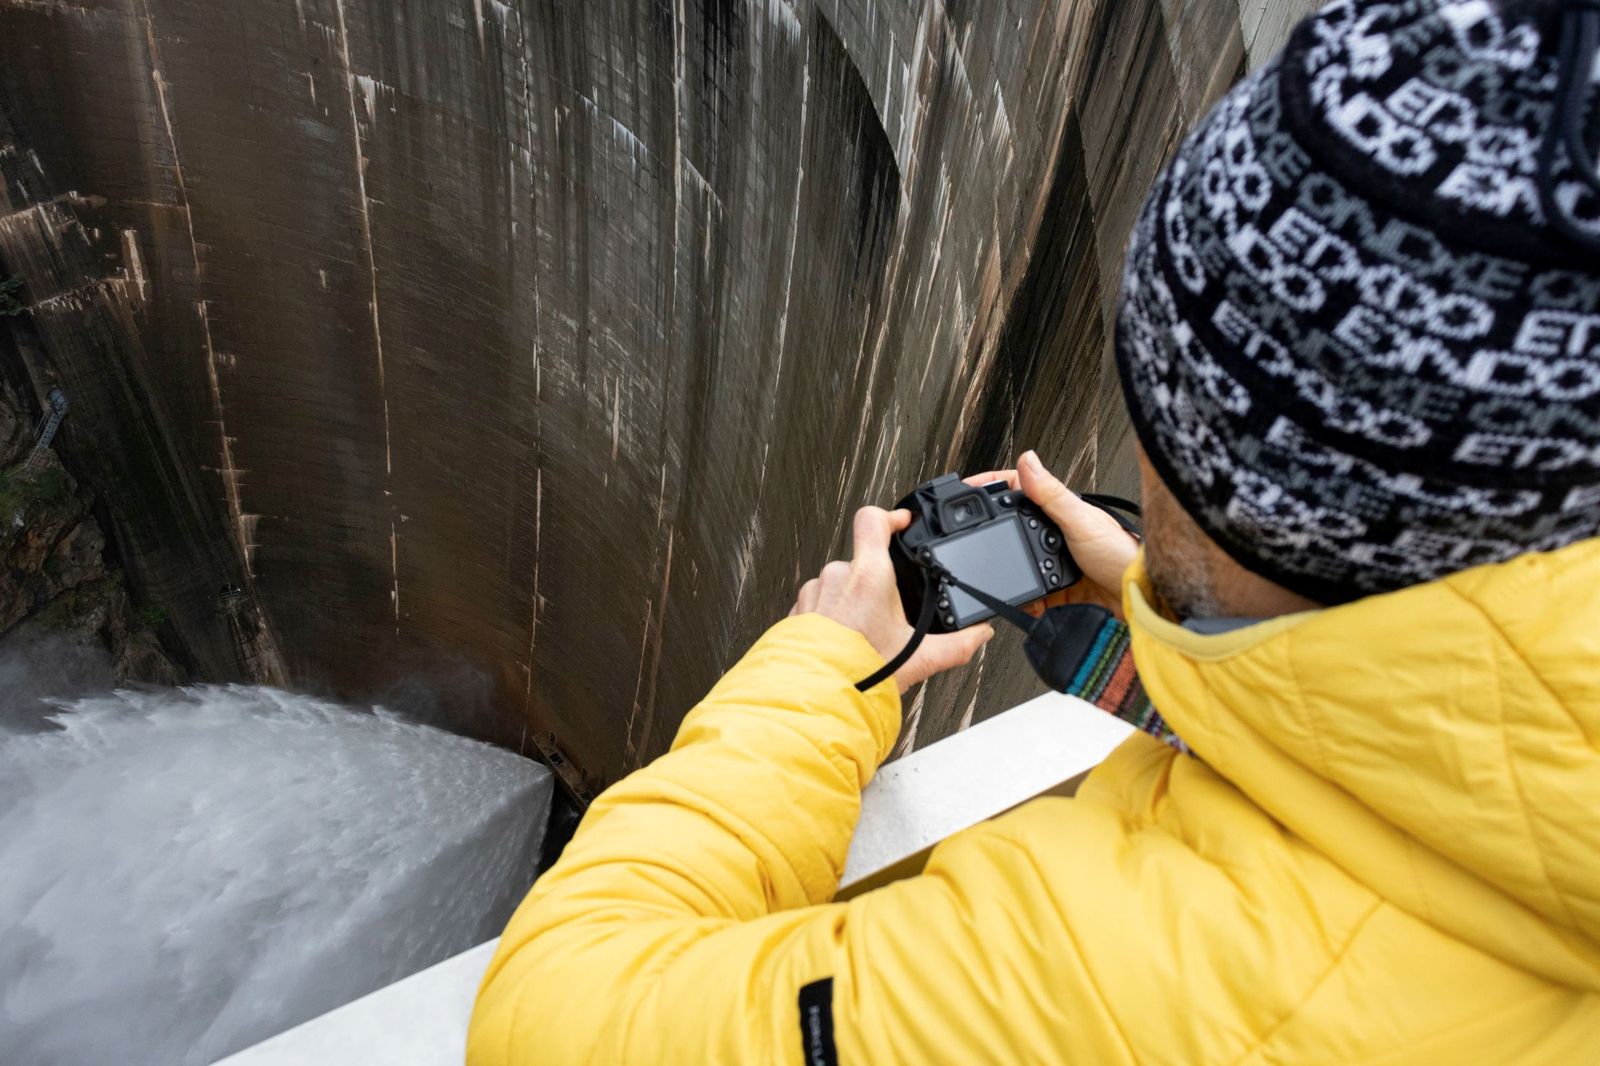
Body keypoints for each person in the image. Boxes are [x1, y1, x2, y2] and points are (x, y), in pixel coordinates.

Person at [469, 0, 1600, 1061]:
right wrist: (1171, 638)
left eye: (1154, 411)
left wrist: (817, 677)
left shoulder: (1121, 980)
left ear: (1232, 475)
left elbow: (556, 1015)